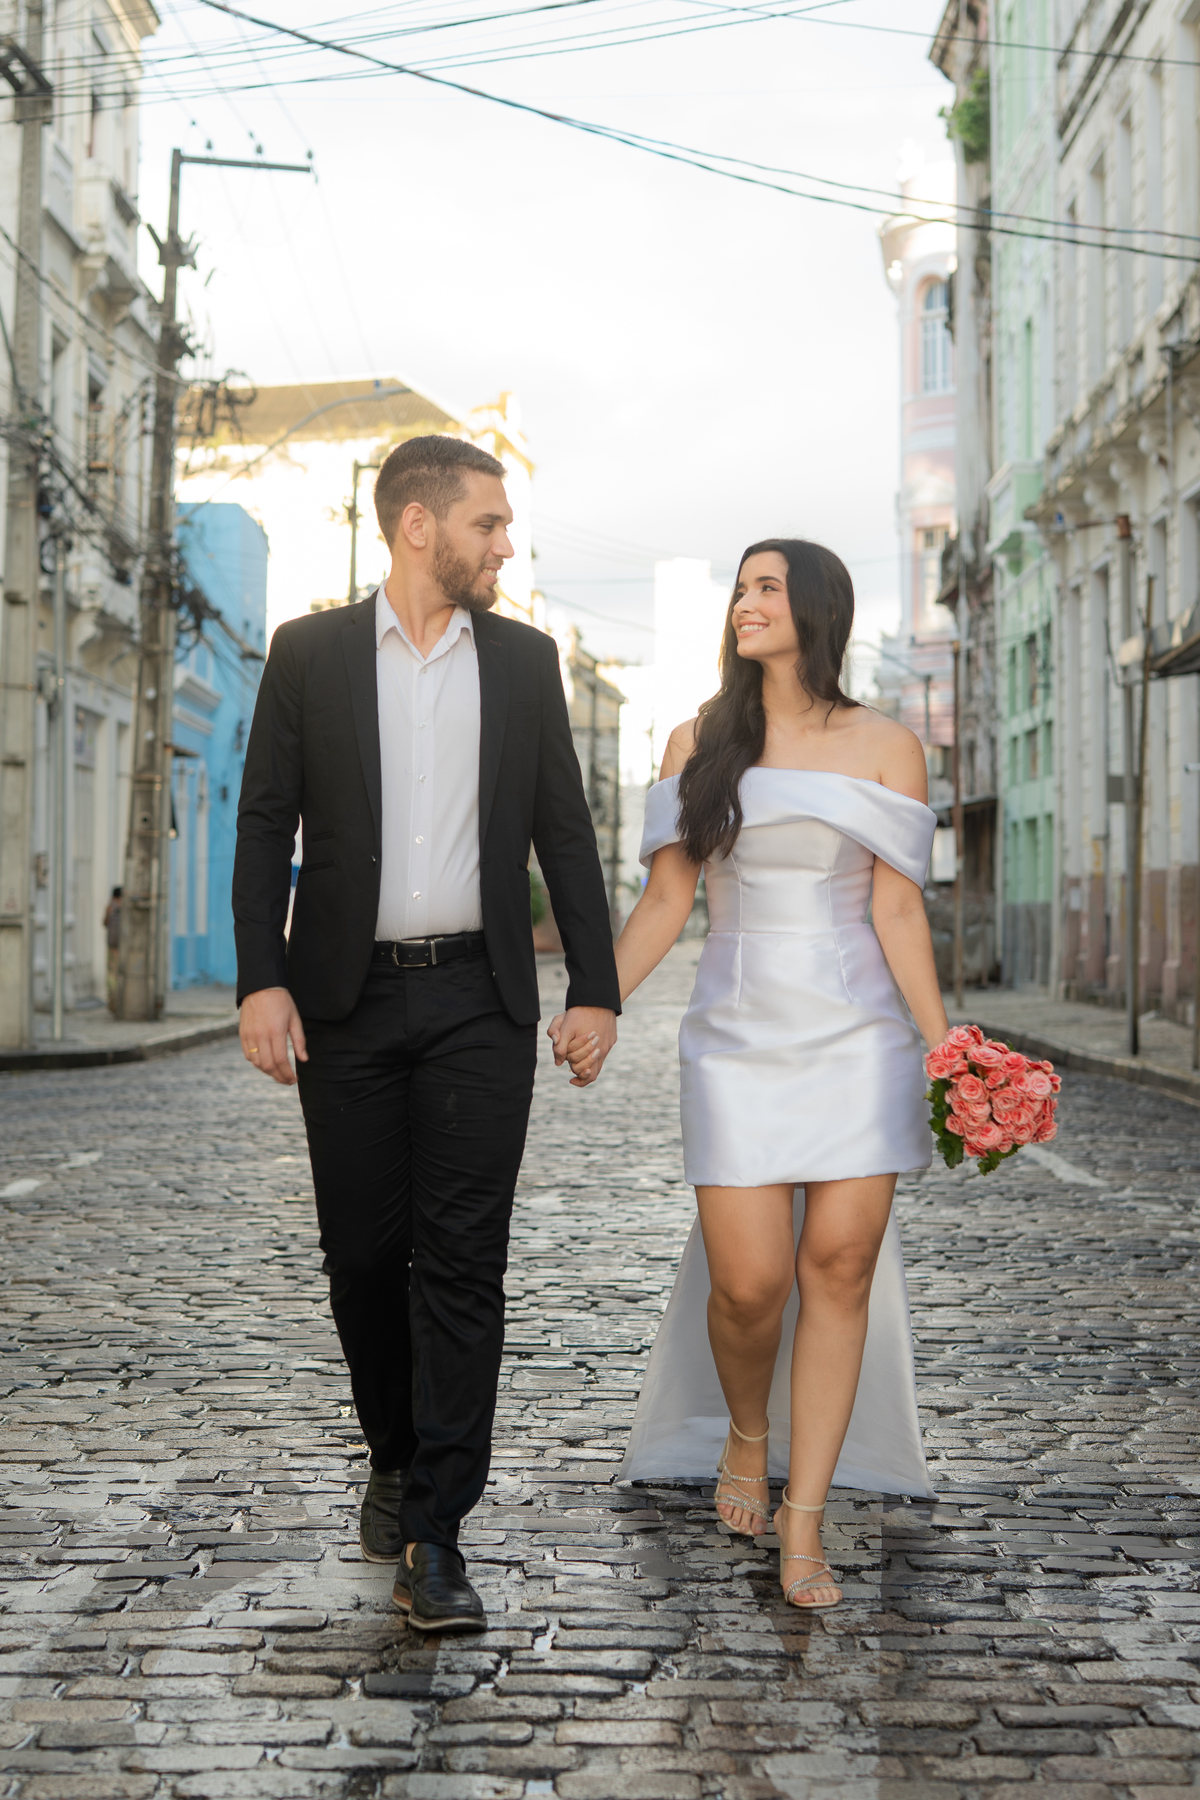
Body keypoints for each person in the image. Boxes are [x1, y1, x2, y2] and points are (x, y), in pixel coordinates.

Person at [233, 435, 619, 1634]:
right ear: (419, 525)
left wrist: (596, 986)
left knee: (463, 1265)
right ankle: (393, 1454)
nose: (505, 545)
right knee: (362, 1259)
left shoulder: (522, 660)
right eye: (489, 524)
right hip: (343, 1003)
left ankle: (437, 1531)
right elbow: (262, 824)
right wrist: (261, 980)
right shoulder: (310, 654)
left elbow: (565, 828)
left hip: (475, 1004)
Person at [604, 539, 945, 1611]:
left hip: (861, 1042)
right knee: (748, 1284)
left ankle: (807, 1525)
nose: (745, 603)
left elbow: (896, 908)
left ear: (817, 608)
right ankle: (746, 1433)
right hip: (738, 1040)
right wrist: (594, 1003)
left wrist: (950, 1050)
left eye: (765, 586)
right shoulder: (696, 740)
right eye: (740, 587)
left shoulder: (889, 745)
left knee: (836, 1271)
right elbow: (666, 901)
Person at [103, 887, 122, 1012]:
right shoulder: (113, 908)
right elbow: (105, 922)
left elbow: (104, 923)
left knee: (113, 976)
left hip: (115, 946)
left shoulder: (111, 907)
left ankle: (115, 1001)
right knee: (113, 977)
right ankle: (114, 1002)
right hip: (116, 946)